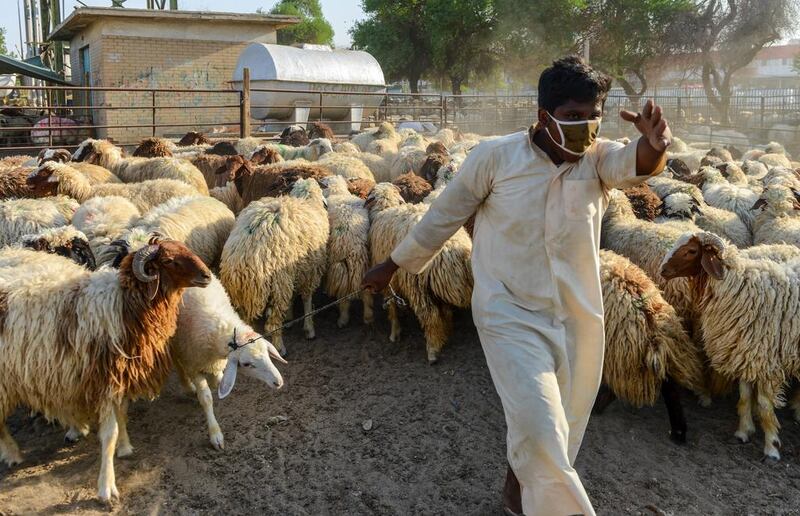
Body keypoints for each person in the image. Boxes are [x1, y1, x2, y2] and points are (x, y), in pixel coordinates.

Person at [361, 55, 671, 515]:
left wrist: (655, 142)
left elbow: (639, 164)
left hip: (577, 314)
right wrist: (393, 263)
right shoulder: (495, 158)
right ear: (544, 116)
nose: (585, 127)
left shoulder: (598, 160)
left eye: (593, 115)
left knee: (560, 428)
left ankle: (515, 498)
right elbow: (445, 215)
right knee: (539, 421)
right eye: (572, 117)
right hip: (509, 310)